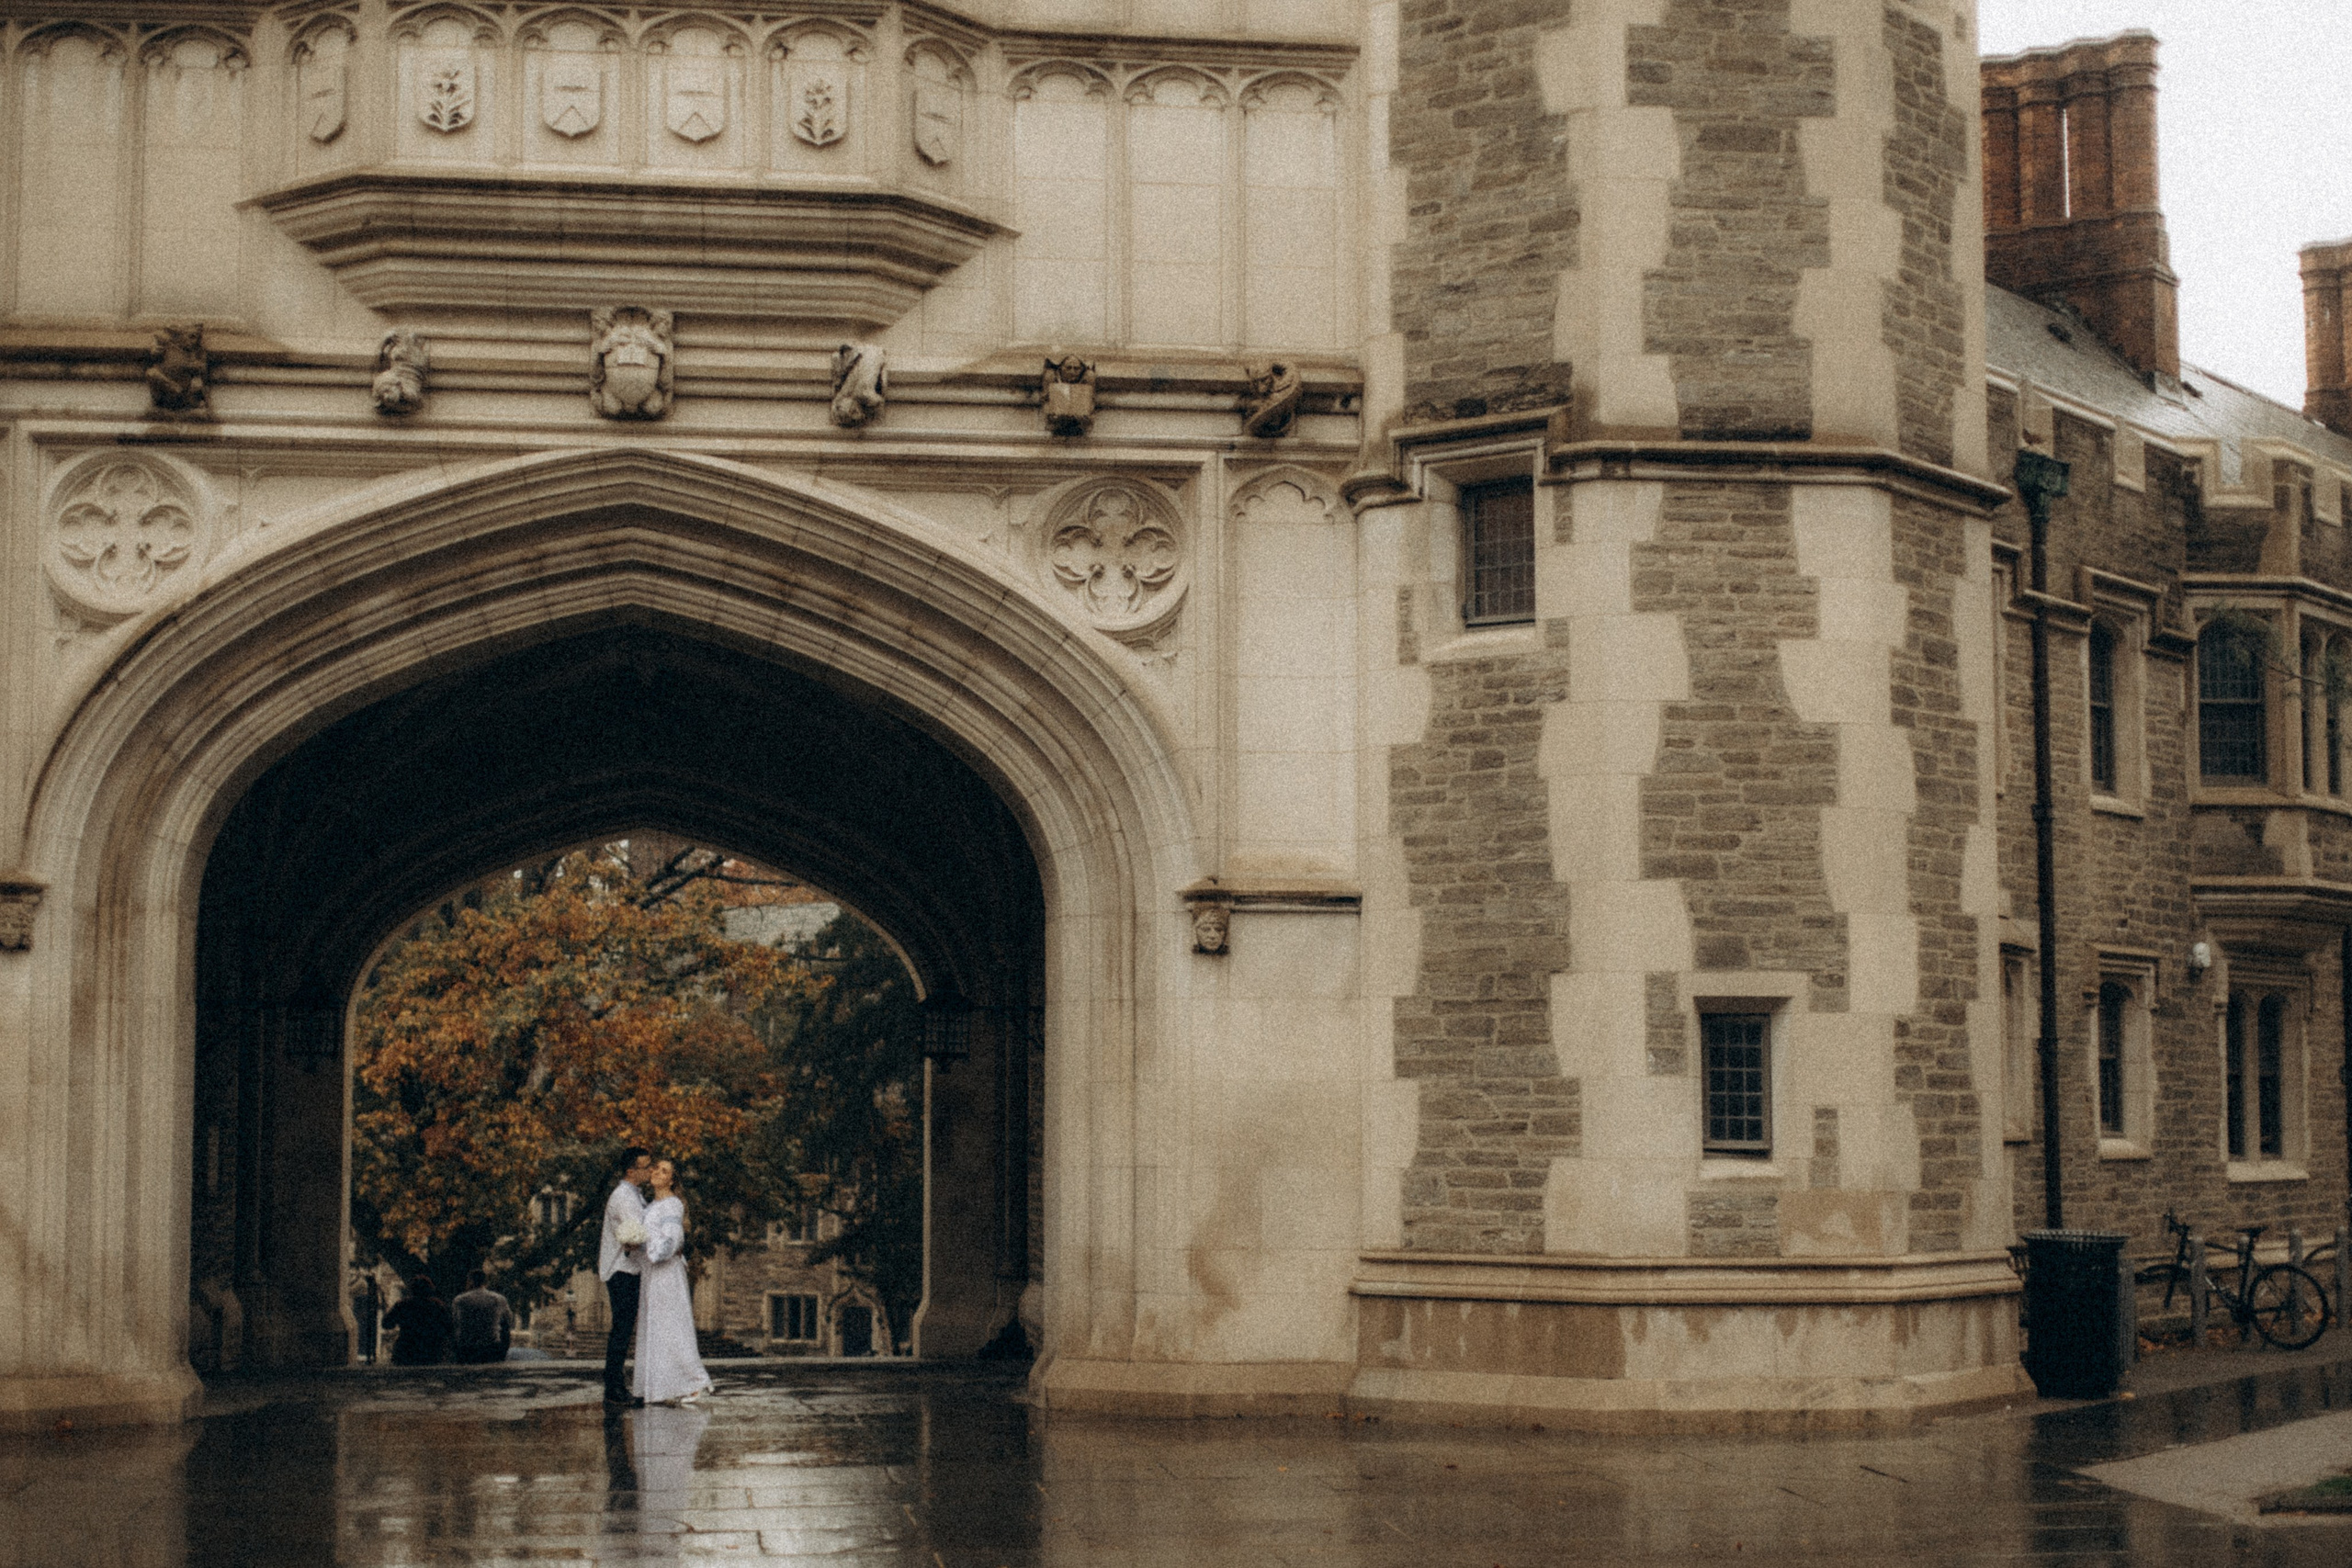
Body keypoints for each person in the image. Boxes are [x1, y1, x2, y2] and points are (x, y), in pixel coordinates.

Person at [632, 1159, 712, 1405]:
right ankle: (659, 1387)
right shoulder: (648, 1207)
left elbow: (674, 1239)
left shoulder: (672, 1204)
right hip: (651, 1274)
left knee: (672, 1327)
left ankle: (695, 1381)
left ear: (672, 1180)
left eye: (664, 1171)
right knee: (655, 1328)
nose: (657, 1172)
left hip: (666, 1273)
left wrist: (653, 1253)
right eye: (655, 1168)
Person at [600, 1145, 653, 1408]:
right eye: (646, 1167)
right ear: (631, 1171)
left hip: (628, 1268)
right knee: (621, 1328)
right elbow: (636, 1233)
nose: (650, 1171)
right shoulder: (624, 1197)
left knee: (623, 1328)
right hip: (622, 1268)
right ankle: (613, 1387)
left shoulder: (634, 1194)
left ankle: (616, 1384)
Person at [381, 1274, 453, 1366]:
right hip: (431, 1349)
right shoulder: (437, 1305)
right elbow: (448, 1327)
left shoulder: (403, 1305)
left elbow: (387, 1324)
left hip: (406, 1348)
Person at [451, 1269, 514, 1364]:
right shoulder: (498, 1299)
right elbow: (509, 1320)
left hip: (466, 1347)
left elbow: (454, 1321)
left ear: (469, 1281)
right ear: (485, 1282)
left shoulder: (460, 1300)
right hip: (491, 1346)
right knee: (504, 1323)